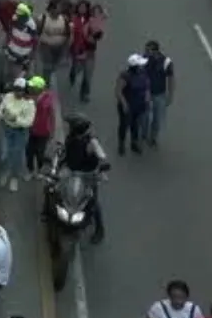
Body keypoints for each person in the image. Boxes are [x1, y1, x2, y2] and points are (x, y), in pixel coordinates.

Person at [59, 113, 108, 243]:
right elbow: (63, 152)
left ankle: (99, 229)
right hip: (70, 172)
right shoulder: (70, 138)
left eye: (71, 126)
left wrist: (102, 166)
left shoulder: (92, 142)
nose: (69, 128)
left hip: (87, 177)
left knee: (92, 201)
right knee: (56, 189)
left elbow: (101, 156)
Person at [0, 79, 35, 191]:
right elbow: (1, 109)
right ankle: (5, 171)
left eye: (20, 90)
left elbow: (29, 121)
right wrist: (3, 115)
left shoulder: (29, 104)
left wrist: (15, 119)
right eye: (16, 90)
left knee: (17, 155)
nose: (17, 92)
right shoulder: (8, 96)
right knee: (6, 152)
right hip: (7, 129)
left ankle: (14, 177)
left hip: (20, 132)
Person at [116, 54, 151, 155]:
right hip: (128, 104)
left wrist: (147, 98)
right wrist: (124, 104)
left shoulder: (143, 73)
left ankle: (134, 143)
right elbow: (118, 91)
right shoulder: (125, 76)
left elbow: (147, 86)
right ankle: (121, 144)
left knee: (135, 125)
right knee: (124, 125)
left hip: (139, 104)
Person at [142, 40, 175, 148]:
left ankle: (153, 138)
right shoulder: (143, 59)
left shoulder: (166, 62)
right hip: (145, 92)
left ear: (155, 51)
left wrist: (170, 95)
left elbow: (170, 79)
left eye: (148, 50)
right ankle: (144, 134)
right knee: (145, 116)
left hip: (159, 94)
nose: (145, 52)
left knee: (157, 119)